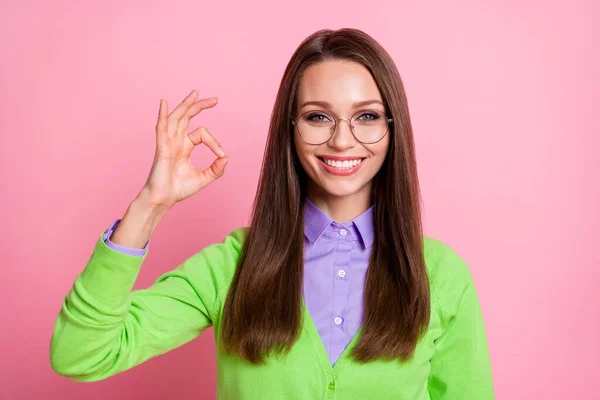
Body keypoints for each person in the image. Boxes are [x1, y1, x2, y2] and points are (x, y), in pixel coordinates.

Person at [50, 28, 494, 399]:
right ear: (291, 129)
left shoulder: (441, 275)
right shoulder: (232, 266)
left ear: (393, 128)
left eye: (367, 116)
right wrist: (150, 205)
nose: (342, 140)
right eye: (318, 117)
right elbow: (80, 352)